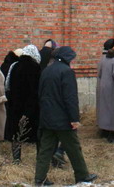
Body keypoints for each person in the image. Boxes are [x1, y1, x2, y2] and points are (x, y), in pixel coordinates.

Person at [35, 46, 97, 186]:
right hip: (62, 119)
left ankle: (39, 178)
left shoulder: (46, 70)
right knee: (74, 148)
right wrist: (74, 119)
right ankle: (82, 175)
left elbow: (40, 94)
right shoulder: (67, 72)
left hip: (47, 117)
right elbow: (70, 98)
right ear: (67, 58)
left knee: (45, 149)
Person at [5, 44, 42, 163]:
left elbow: (8, 86)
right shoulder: (36, 68)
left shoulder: (14, 66)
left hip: (15, 105)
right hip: (32, 106)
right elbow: (37, 90)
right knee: (38, 134)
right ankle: (40, 157)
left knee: (16, 133)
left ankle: (16, 158)